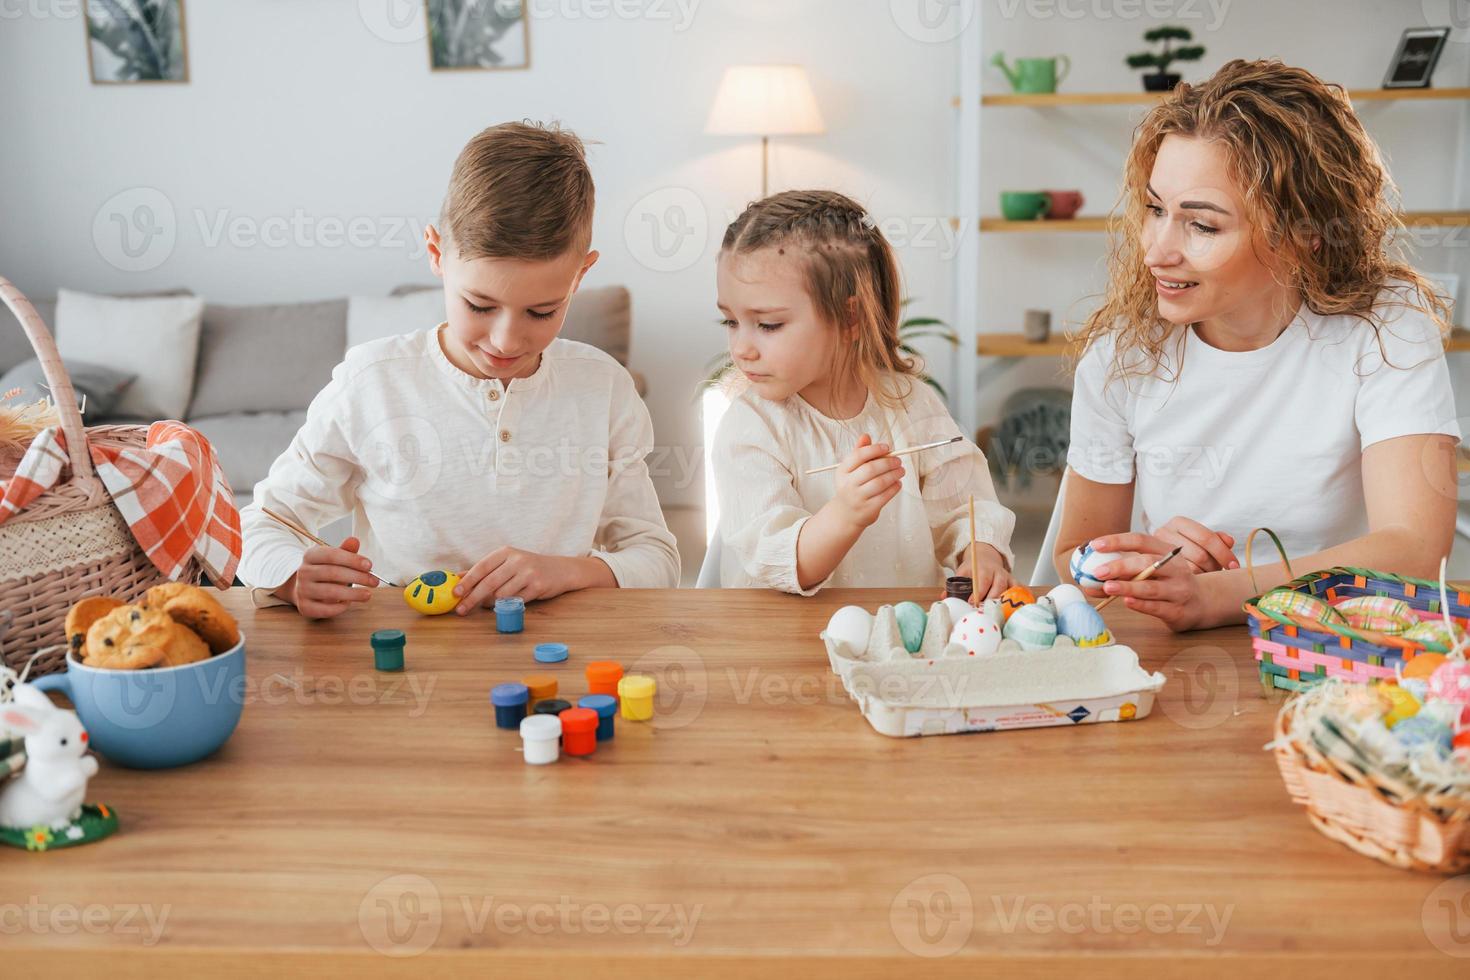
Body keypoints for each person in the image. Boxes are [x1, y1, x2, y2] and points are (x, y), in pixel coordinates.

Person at [1057, 60, 1459, 630]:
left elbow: (1416, 548)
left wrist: (1217, 594)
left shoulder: (1384, 328)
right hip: (1185, 663)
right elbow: (1073, 554)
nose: (1156, 250)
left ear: (1304, 234)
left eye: (1202, 226)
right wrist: (1131, 561)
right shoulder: (1123, 353)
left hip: (1343, 641)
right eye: (1154, 210)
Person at [239, 121, 679, 619]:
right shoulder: (372, 382)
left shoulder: (604, 388)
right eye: (480, 304)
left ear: (581, 274)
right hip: (407, 665)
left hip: (560, 659)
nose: (506, 341)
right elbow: (260, 524)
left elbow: (657, 559)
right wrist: (293, 576)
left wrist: (569, 571)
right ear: (436, 254)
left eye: (542, 311)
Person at [712, 190, 1016, 596]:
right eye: (730, 322)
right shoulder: (752, 426)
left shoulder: (911, 403)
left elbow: (966, 508)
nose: (741, 348)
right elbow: (778, 562)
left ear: (849, 316)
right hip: (781, 641)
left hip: (900, 641)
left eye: (767, 325)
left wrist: (981, 553)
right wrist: (846, 514)